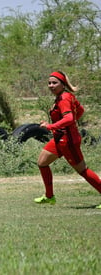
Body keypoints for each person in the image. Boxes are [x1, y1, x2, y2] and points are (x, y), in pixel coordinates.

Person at [35, 71, 101, 208]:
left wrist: (51, 126)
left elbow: (69, 118)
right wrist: (63, 126)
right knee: (42, 162)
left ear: (63, 84)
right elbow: (80, 110)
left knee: (83, 170)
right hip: (60, 138)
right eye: (49, 83)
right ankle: (49, 197)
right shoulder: (64, 96)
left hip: (68, 140)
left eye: (54, 83)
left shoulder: (64, 98)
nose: (51, 85)